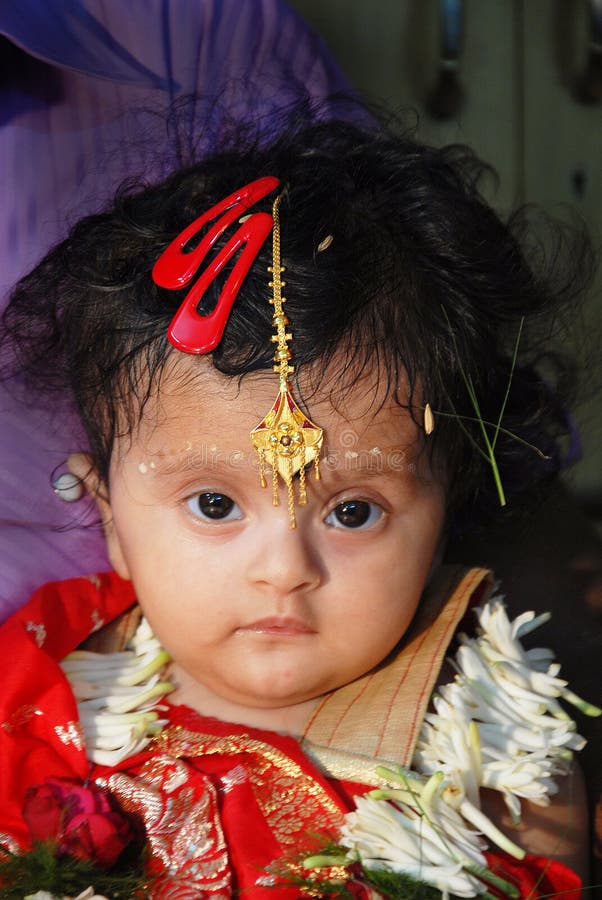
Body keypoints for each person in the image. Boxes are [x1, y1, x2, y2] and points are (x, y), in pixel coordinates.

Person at [0, 111, 597, 899]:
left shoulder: (493, 742)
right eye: (215, 504)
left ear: (446, 504)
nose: (285, 570)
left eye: (354, 512)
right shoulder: (49, 684)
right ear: (109, 512)